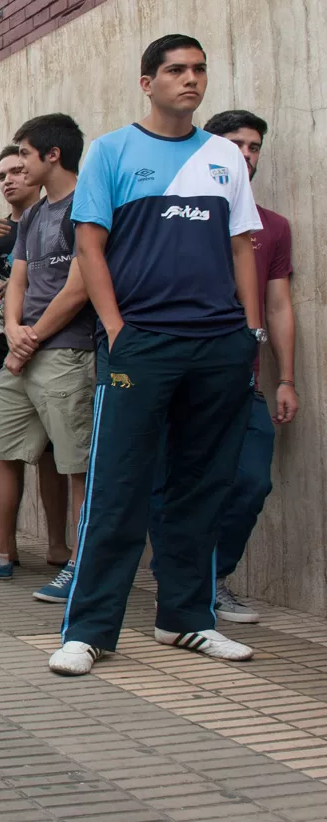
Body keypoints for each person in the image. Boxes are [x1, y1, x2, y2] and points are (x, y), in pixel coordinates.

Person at [51, 34, 263, 676]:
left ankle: (187, 619)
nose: (190, 80)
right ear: (148, 82)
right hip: (141, 343)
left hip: (220, 344)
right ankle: (88, 631)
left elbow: (242, 250)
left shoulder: (224, 154)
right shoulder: (113, 152)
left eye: (199, 70)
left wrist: (248, 336)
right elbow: (90, 248)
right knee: (118, 489)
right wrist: (117, 329)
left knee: (204, 487)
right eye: (175, 70)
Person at [144, 109, 297, 625]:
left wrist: (286, 379)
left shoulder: (272, 228)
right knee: (167, 482)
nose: (246, 155)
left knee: (251, 481)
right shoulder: (171, 210)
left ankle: (212, 577)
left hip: (240, 376)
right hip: (170, 369)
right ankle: (178, 585)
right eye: (237, 144)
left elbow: (278, 306)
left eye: (254, 147)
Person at [0, 114, 96, 592]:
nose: (17, 169)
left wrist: (32, 335)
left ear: (52, 155)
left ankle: (82, 564)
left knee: (76, 464)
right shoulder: (34, 217)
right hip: (17, 353)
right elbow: (17, 282)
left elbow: (81, 284)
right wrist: (12, 329)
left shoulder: (89, 205)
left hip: (68, 351)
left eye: (24, 156)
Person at [0, 146, 71, 566]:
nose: (9, 180)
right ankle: (2, 546)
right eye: (2, 174)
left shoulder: (60, 219)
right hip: (0, 354)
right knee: (0, 446)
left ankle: (59, 544)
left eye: (18, 171)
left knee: (54, 457)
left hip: (53, 349)